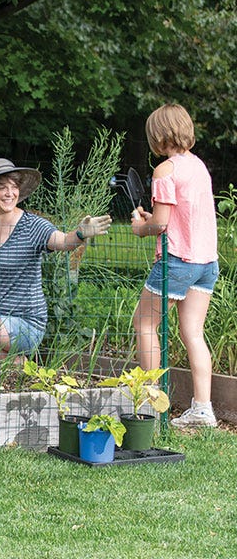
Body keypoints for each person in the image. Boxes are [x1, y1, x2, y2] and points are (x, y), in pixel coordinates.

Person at [0, 158, 112, 359]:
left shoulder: (32, 226)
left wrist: (80, 233)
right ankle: (15, 362)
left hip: (24, 322)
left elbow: (62, 242)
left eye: (14, 187)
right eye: (2, 188)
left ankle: (11, 357)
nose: (10, 193)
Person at [131, 103, 219, 428]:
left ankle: (150, 405)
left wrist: (141, 226)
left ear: (157, 134)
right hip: (206, 262)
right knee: (193, 333)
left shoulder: (164, 170)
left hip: (179, 260)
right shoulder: (199, 166)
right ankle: (203, 409)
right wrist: (151, 218)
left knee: (144, 323)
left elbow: (161, 224)